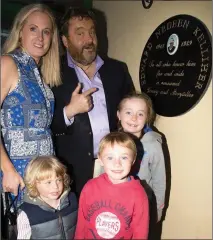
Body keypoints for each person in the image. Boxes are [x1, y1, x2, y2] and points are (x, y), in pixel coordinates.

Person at [51, 7, 135, 197]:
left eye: (91, 32)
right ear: (65, 41)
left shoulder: (117, 70)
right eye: (79, 33)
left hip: (114, 168)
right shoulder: (52, 72)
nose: (89, 40)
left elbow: (131, 111)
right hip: (72, 173)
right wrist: (69, 111)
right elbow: (46, 125)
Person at [1, 3, 61, 207]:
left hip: (43, 177)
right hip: (16, 174)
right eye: (33, 29)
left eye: (46, 31)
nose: (40, 37)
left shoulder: (40, 77)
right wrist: (7, 169)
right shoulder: (8, 63)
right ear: (20, 32)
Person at [75, 132, 149, 239]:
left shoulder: (138, 194)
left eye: (124, 158)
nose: (117, 164)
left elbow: (140, 233)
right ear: (100, 159)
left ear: (133, 160)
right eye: (110, 158)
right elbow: (81, 224)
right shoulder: (89, 187)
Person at [117, 92, 166, 225]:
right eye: (128, 112)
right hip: (116, 206)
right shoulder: (112, 142)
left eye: (140, 114)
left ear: (146, 118)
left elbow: (159, 180)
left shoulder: (153, 145)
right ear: (118, 115)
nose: (134, 118)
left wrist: (157, 210)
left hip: (143, 206)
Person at [17, 156, 78, 239]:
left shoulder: (73, 200)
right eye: (48, 182)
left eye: (59, 180)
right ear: (34, 184)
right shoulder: (26, 213)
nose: (55, 186)